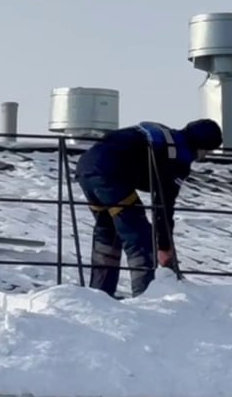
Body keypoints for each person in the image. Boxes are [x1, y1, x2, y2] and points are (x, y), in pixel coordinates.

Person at [77, 118, 223, 297]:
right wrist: (164, 247)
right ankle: (145, 296)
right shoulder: (178, 157)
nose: (205, 156)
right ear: (201, 147)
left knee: (109, 231)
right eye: (207, 151)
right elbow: (163, 204)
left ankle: (99, 294)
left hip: (86, 168)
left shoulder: (166, 137)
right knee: (139, 236)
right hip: (112, 174)